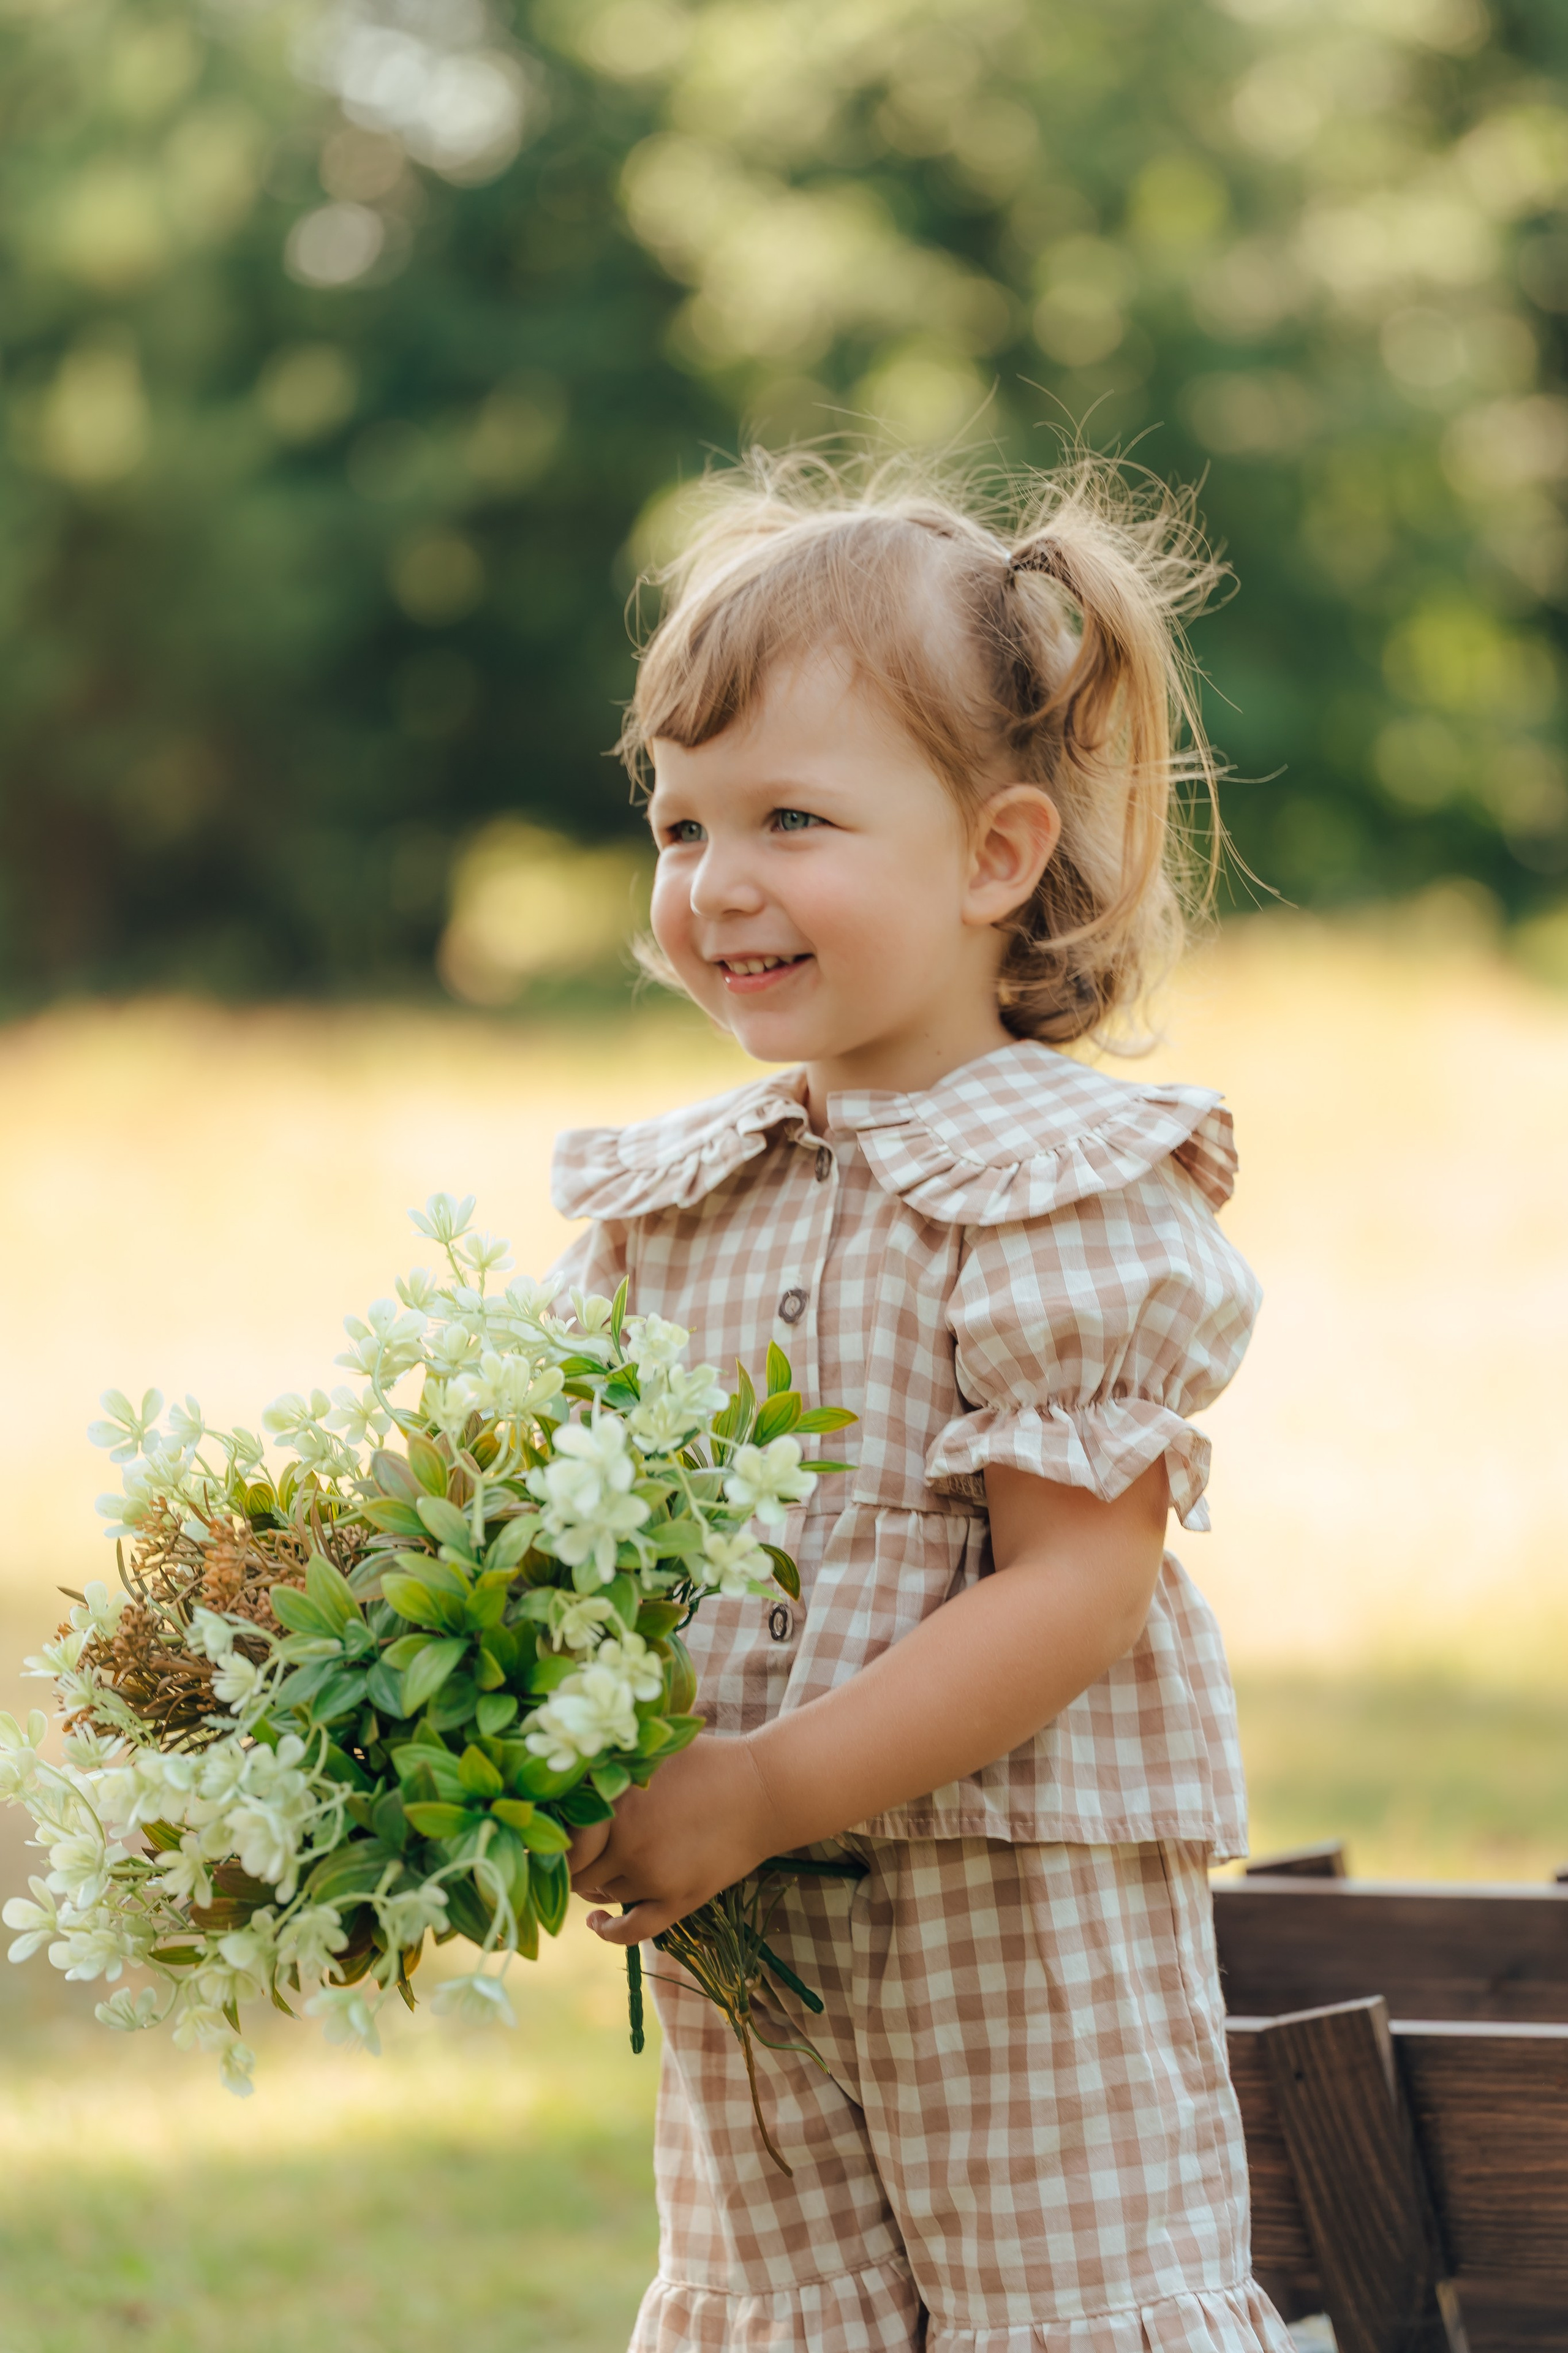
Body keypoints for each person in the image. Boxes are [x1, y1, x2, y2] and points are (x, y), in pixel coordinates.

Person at [551, 451, 1292, 2353]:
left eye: (792, 818)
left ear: (995, 854)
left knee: (1066, 2308)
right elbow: (566, 1527)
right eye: (680, 825)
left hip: (1015, 1921)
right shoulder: (673, 1198)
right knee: (781, 2313)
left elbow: (1075, 1581)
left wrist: (768, 1780)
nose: (718, 887)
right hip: (754, 1927)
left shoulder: (1065, 1184)